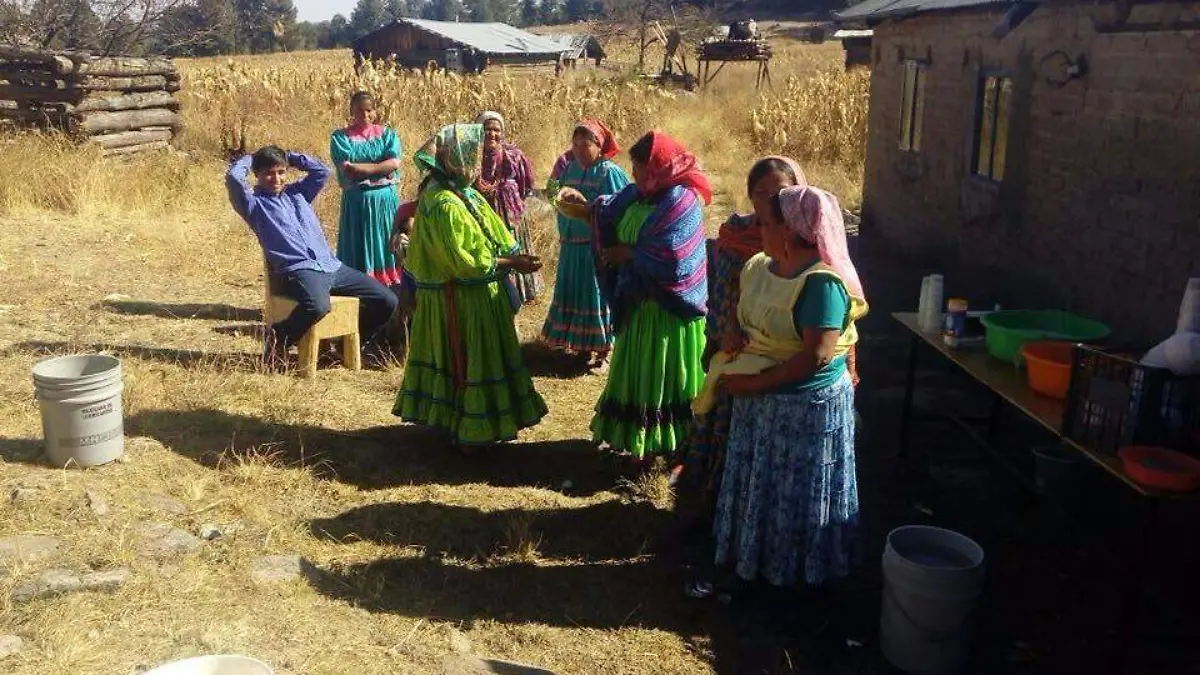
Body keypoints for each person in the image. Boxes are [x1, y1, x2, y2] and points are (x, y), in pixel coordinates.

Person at [711, 184, 868, 594]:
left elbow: (816, 354)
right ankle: (756, 558)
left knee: (795, 491)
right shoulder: (762, 267)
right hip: (760, 403)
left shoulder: (821, 284)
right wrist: (733, 332)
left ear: (788, 231)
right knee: (763, 484)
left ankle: (797, 577)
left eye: (765, 223)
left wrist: (756, 384)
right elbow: (743, 311)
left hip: (803, 411)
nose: (757, 230)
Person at [393, 123, 548, 446]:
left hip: (478, 293)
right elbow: (465, 261)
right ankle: (468, 433)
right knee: (469, 363)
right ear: (454, 157)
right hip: (460, 299)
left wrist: (513, 252)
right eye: (471, 156)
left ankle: (481, 426)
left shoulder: (462, 191)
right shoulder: (443, 203)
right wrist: (511, 263)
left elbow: (494, 230)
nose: (477, 164)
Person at [679, 157, 807, 496]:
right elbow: (722, 287)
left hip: (777, 349)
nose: (769, 200)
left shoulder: (807, 238)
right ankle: (716, 490)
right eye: (760, 192)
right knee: (725, 413)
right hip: (732, 339)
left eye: (780, 192)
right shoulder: (736, 230)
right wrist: (727, 331)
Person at [587, 130, 710, 463]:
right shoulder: (638, 195)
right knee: (639, 372)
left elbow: (675, 256)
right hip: (637, 305)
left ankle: (672, 444)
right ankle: (638, 440)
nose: (635, 174)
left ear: (658, 169)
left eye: (640, 168)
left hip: (668, 311)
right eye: (634, 167)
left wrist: (629, 253)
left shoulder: (681, 201)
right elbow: (607, 209)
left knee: (664, 375)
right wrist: (587, 208)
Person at [226, 145, 399, 369]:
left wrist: (290, 157)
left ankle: (347, 345)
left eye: (281, 172)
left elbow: (322, 171)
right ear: (257, 175)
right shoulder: (253, 205)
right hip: (298, 270)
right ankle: (278, 339)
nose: (276, 178)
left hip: (331, 266)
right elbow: (233, 178)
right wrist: (250, 159)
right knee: (317, 305)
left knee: (387, 300)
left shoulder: (297, 193)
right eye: (268, 173)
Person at [541, 119, 630, 367]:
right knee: (576, 294)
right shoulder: (570, 169)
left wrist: (586, 204)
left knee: (595, 294)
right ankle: (581, 345)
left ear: (599, 146)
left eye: (586, 145)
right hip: (571, 244)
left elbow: (619, 210)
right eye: (575, 144)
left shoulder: (609, 172)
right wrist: (560, 200)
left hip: (595, 248)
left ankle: (602, 349)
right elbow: (556, 197)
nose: (579, 150)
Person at [330, 91, 403, 288]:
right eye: (359, 110)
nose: (365, 115)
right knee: (360, 242)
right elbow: (348, 169)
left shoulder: (388, 135)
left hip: (385, 203)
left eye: (369, 110)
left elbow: (394, 163)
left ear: (375, 111)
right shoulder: (340, 137)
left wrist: (364, 169)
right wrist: (380, 168)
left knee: (385, 239)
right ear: (351, 111)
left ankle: (390, 281)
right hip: (358, 203)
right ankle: (359, 283)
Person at [473, 110, 542, 307]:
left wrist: (511, 201)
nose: (491, 134)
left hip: (510, 213)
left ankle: (521, 293)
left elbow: (525, 184)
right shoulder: (471, 157)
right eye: (487, 129)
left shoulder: (514, 155)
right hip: (484, 212)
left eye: (496, 130)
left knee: (513, 246)